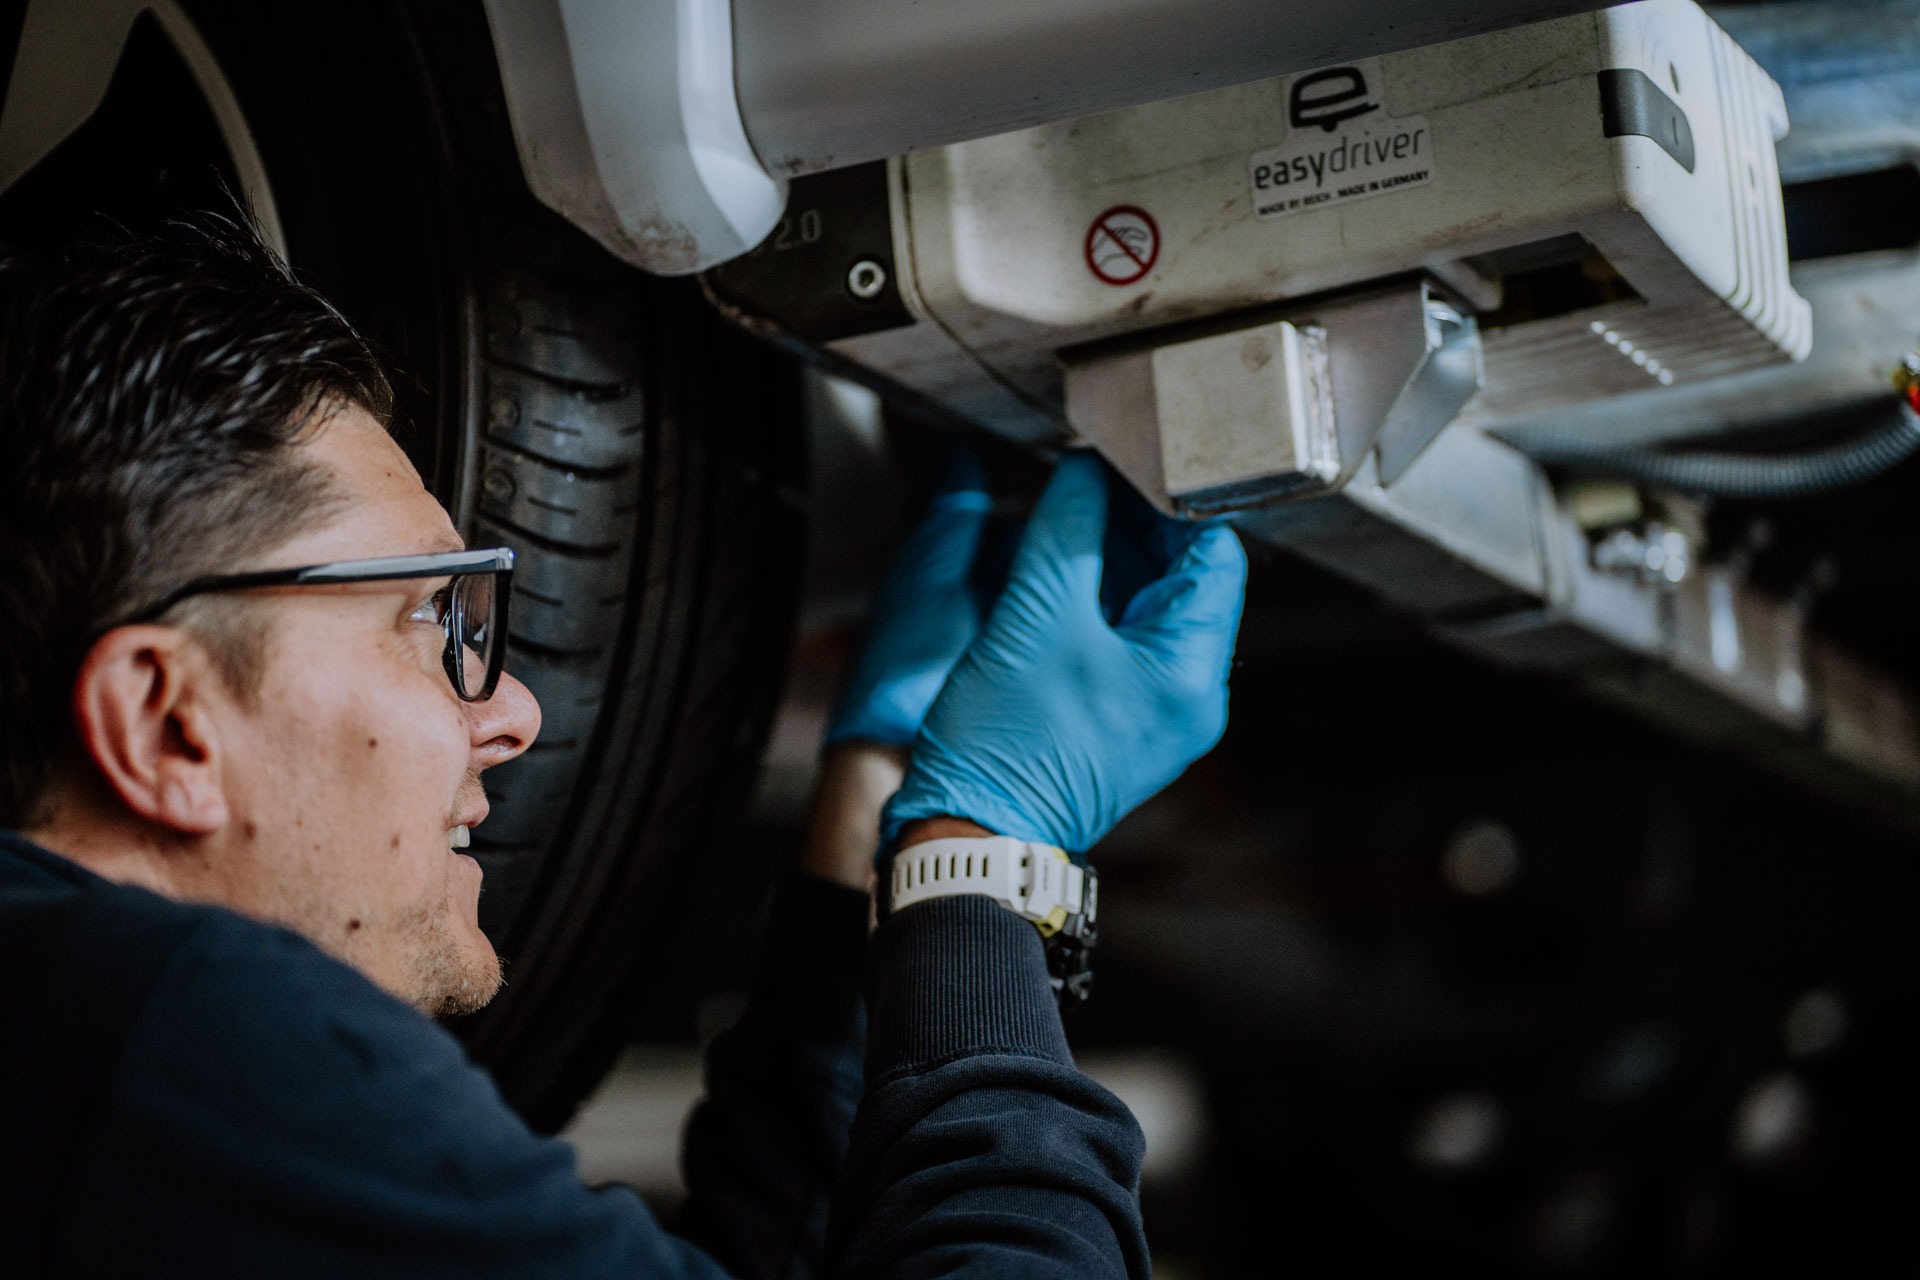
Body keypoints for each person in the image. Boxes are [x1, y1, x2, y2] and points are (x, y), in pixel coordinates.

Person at [0, 218, 1247, 1278]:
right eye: (427, 620)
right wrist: (985, 854)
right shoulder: (185, 1048)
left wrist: (879, 797)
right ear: (166, 720)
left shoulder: (83, 1061)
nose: (513, 713)